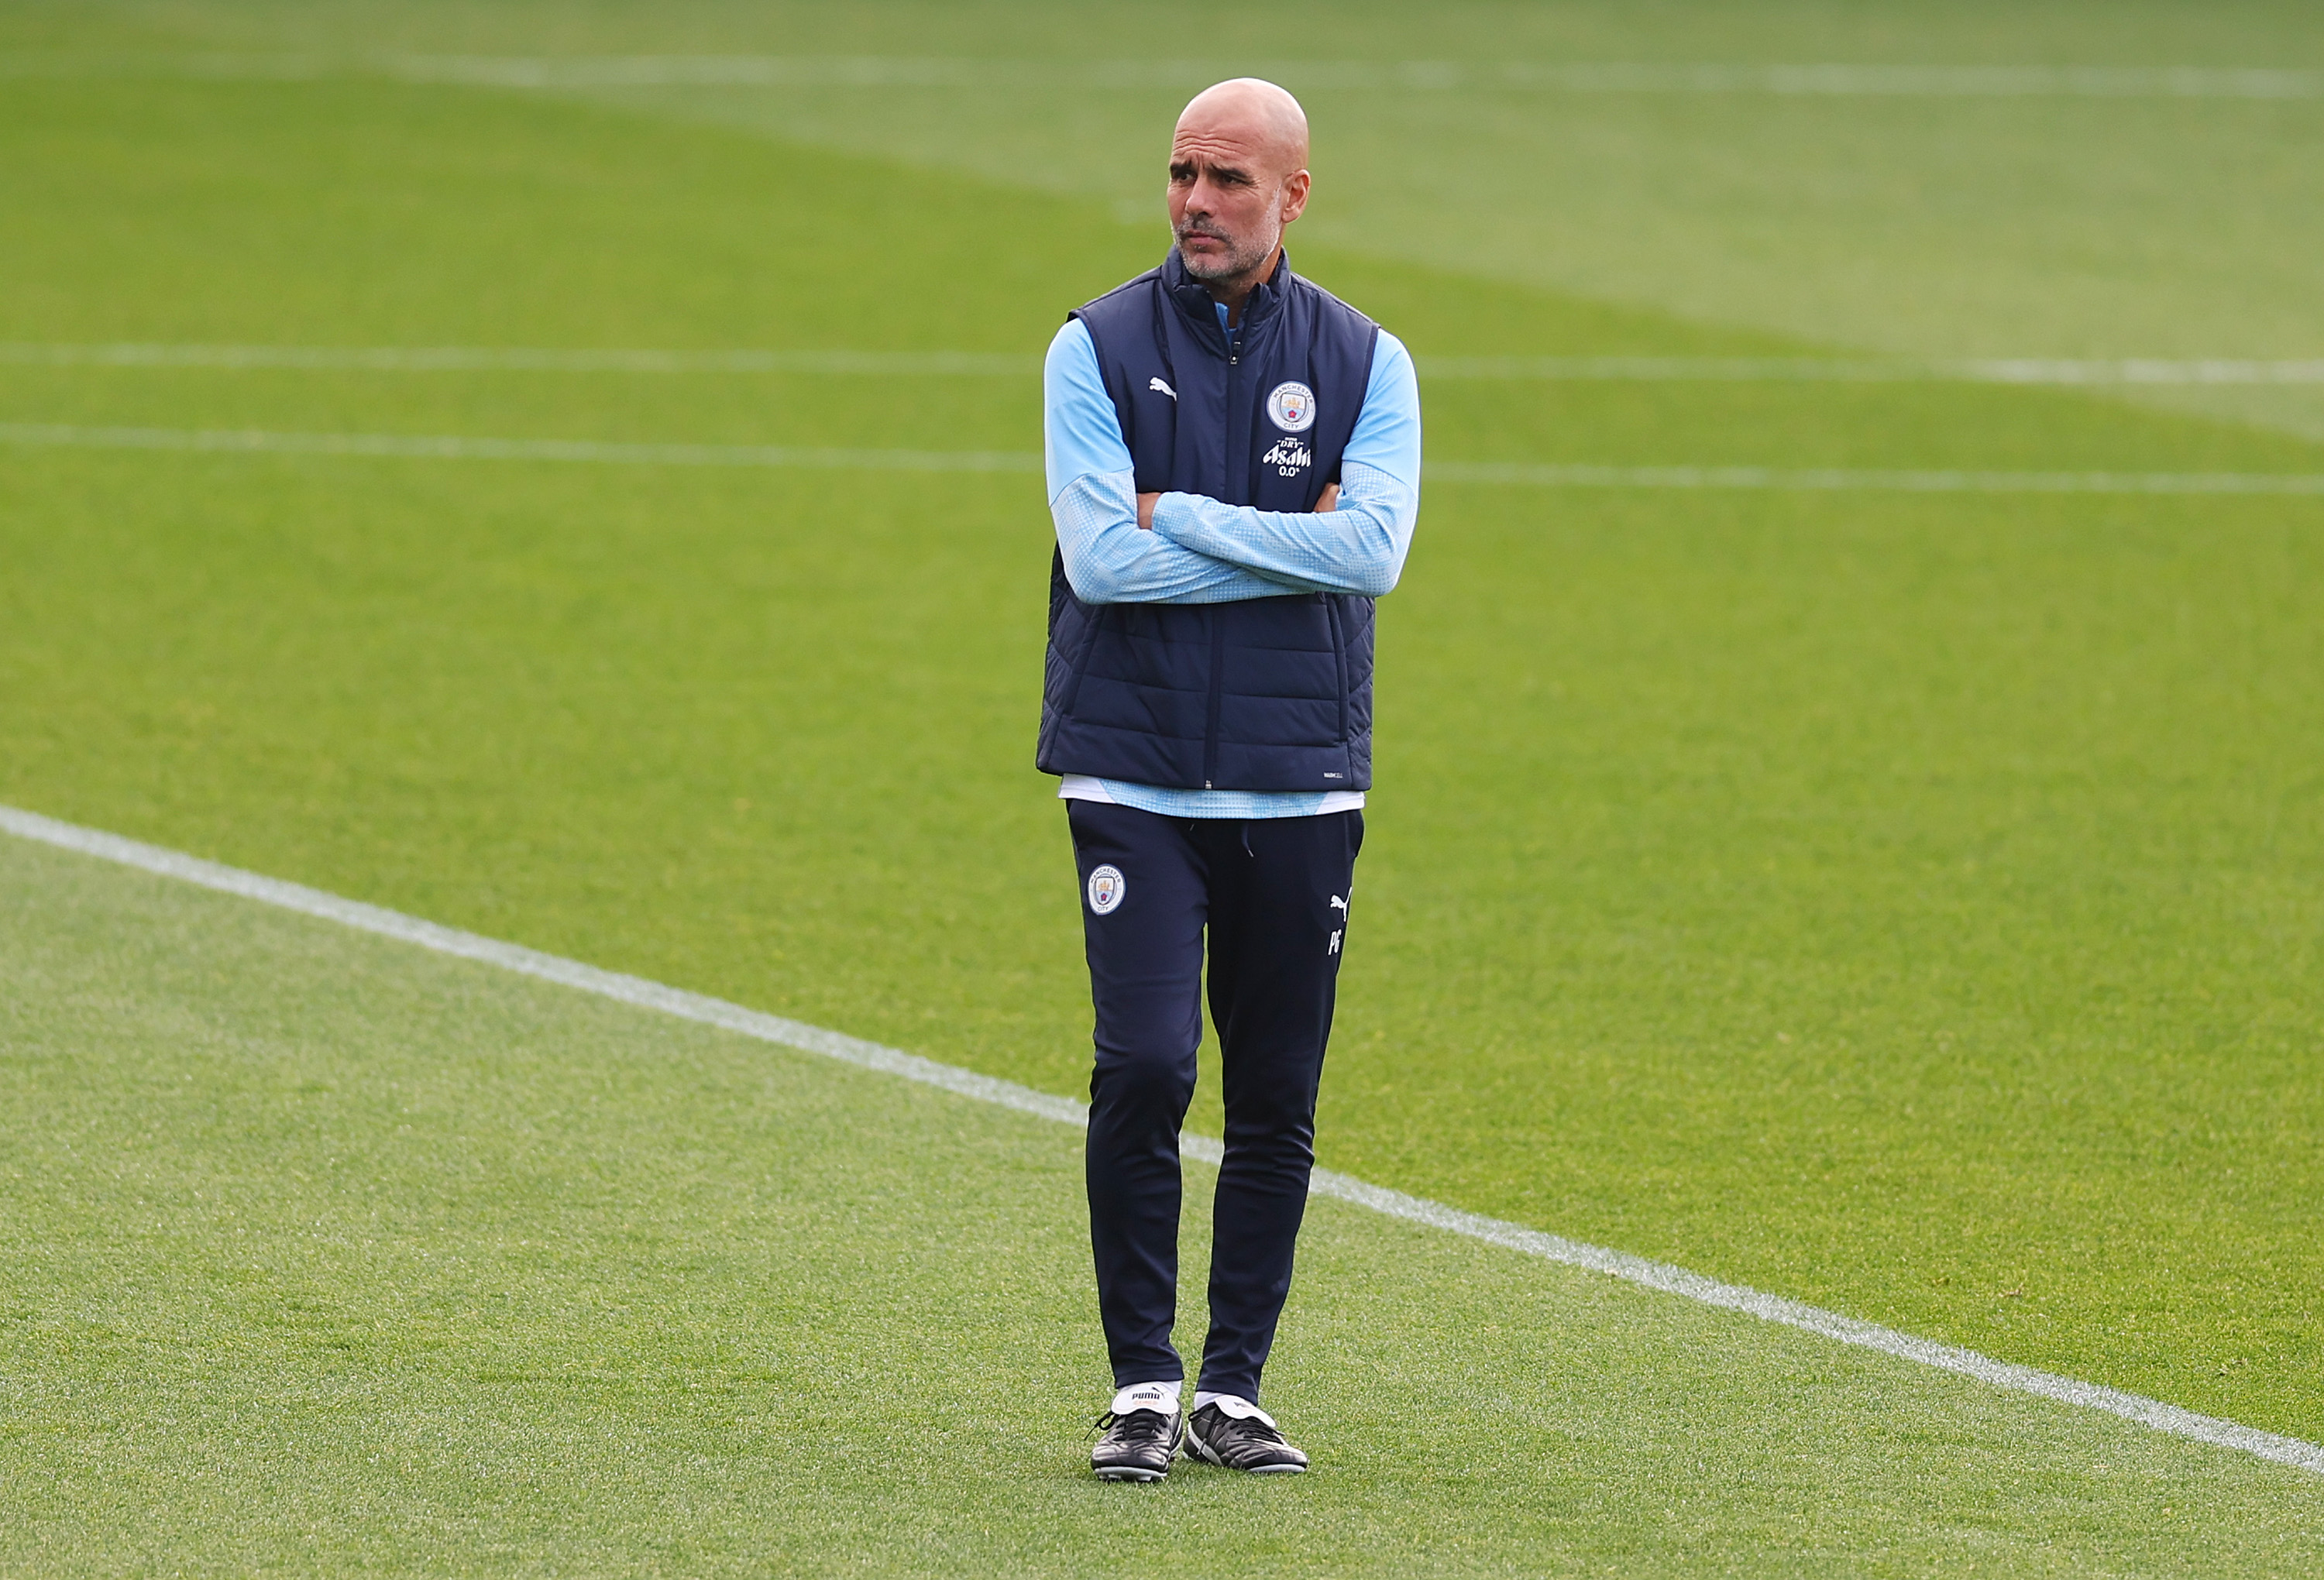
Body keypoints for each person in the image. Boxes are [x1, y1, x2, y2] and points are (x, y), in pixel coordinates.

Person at [1038, 77, 1422, 1481]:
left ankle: (1235, 1389)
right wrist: (1283, 541)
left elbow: (1374, 554)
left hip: (1298, 779)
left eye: (1229, 180)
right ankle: (1143, 1381)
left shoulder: (1369, 362)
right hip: (1132, 770)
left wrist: (1183, 515)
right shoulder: (1091, 346)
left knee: (1274, 1096)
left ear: (1294, 196)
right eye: (1181, 172)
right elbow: (1103, 563)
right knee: (1144, 1067)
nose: (1195, 202)